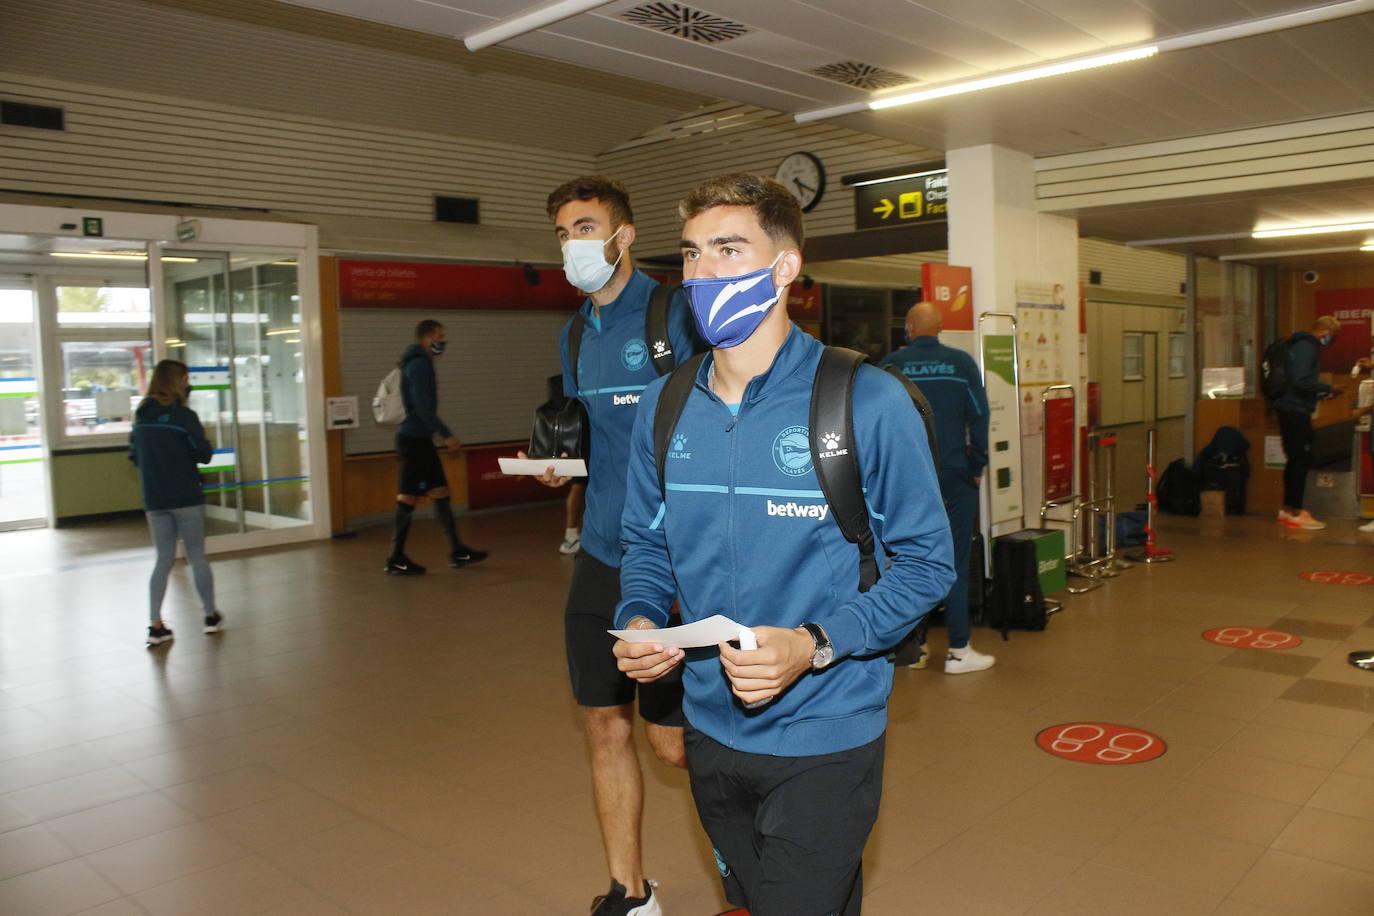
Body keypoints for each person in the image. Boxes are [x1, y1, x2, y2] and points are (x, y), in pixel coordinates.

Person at [613, 174, 954, 916]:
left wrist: (815, 644)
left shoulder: (866, 399)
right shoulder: (666, 407)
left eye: (729, 249)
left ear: (786, 267)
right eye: (693, 254)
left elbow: (928, 565)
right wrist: (641, 617)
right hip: (712, 727)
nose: (702, 273)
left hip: (827, 729)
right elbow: (645, 545)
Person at [525, 176, 703, 916]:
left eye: (587, 227)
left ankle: (758, 861)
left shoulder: (674, 313)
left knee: (672, 745)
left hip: (673, 557)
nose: (575, 245)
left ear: (623, 235)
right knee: (603, 721)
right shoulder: (574, 334)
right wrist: (558, 463)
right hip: (603, 550)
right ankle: (629, 894)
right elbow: (594, 444)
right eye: (564, 232)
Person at [880, 301, 994, 674]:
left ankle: (917, 648)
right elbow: (979, 416)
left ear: (910, 327)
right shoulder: (961, 364)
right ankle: (959, 650)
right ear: (940, 328)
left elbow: (869, 422)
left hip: (903, 481)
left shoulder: (890, 366)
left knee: (907, 559)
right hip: (953, 475)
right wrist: (976, 463)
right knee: (955, 557)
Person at [128, 359, 221, 646]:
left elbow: (134, 456)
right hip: (185, 496)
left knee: (163, 560)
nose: (187, 383)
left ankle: (155, 625)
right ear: (176, 380)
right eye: (185, 378)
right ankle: (209, 616)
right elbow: (203, 454)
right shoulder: (184, 416)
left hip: (155, 499)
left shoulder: (141, 416)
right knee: (196, 557)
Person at [384, 320, 486, 575]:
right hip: (414, 440)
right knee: (408, 496)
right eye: (440, 336)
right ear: (428, 337)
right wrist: (447, 435)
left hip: (420, 440)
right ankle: (395, 557)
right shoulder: (419, 364)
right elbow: (422, 408)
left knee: (440, 491)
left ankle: (457, 551)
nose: (443, 341)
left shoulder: (417, 361)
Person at [1275, 315, 1341, 531]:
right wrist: (1327, 388)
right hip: (1295, 410)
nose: (1332, 340)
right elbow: (1301, 379)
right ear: (1324, 331)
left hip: (1290, 407)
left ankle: (1287, 509)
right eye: (1333, 335)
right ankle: (1295, 510)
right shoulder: (1307, 346)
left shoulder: (1298, 344)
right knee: (1301, 458)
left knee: (1295, 458)